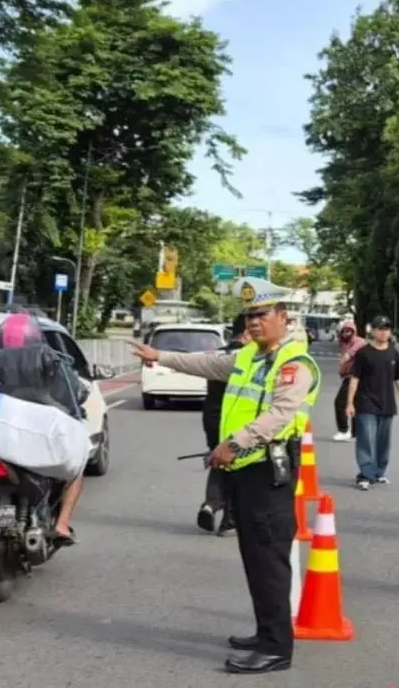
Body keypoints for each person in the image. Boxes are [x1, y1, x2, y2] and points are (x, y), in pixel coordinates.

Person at [128, 277, 320, 674]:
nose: (253, 322)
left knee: (268, 558)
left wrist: (232, 444)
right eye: (248, 316)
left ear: (283, 317)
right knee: (254, 555)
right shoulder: (250, 356)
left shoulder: (294, 364)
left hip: (268, 469)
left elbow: (279, 416)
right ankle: (266, 631)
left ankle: (276, 648)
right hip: (246, 471)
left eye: (261, 315)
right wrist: (159, 356)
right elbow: (209, 364)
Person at [0, 311, 86, 544]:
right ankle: (62, 524)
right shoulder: (50, 360)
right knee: (75, 470)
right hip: (39, 438)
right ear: (35, 337)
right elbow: (75, 391)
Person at [345, 314, 399, 489]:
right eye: (380, 329)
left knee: (383, 441)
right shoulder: (363, 353)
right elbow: (354, 379)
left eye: (387, 329)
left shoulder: (393, 352)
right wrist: (350, 403)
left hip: (387, 403)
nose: (384, 333)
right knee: (366, 439)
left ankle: (379, 472)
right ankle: (366, 474)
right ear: (373, 331)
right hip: (366, 402)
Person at [198, 314, 249, 536]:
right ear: (247, 333)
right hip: (236, 418)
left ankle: (211, 503)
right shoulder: (249, 358)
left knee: (218, 458)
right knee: (239, 465)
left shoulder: (218, 354)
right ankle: (229, 518)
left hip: (211, 416)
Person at [331, 320, 365, 442]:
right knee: (354, 404)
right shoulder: (343, 342)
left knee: (340, 402)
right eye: (344, 331)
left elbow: (351, 353)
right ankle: (355, 434)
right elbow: (340, 342)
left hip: (357, 376)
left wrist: (345, 358)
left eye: (349, 331)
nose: (346, 333)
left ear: (354, 331)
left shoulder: (359, 341)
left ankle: (344, 430)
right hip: (349, 376)